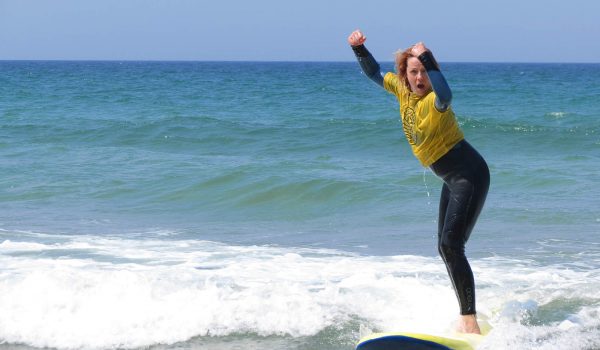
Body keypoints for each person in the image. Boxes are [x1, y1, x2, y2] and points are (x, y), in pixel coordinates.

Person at [347, 29, 490, 334]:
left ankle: (470, 323)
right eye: (414, 71)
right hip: (451, 179)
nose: (420, 77)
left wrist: (426, 55)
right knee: (444, 247)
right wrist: (359, 48)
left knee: (452, 245)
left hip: (469, 175)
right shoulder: (402, 91)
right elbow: (373, 73)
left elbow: (447, 95)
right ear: (405, 75)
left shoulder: (435, 102)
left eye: (425, 71)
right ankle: (466, 316)